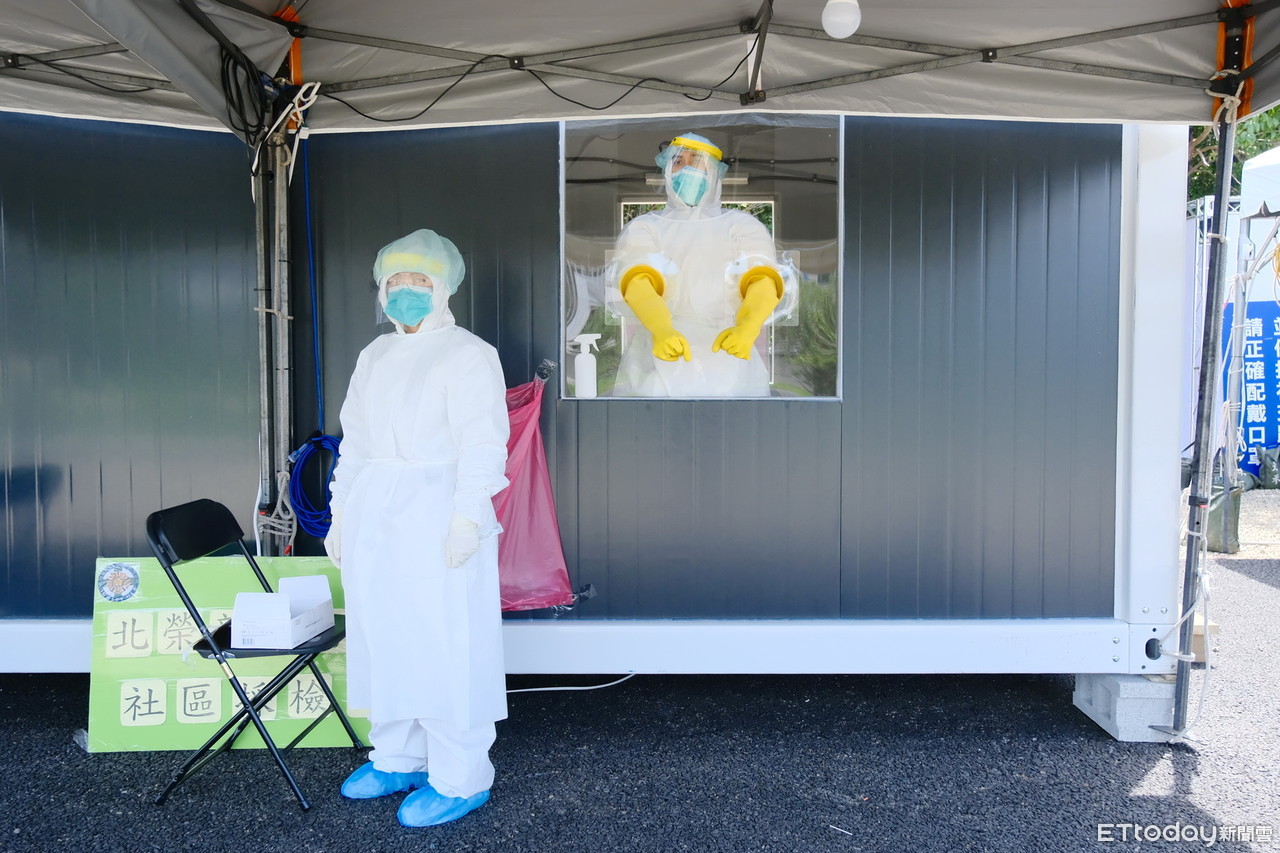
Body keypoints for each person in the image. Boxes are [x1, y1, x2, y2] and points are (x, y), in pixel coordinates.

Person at [324, 228, 510, 828]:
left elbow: (483, 444)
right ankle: (398, 756)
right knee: (383, 635)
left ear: (445, 288)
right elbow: (355, 443)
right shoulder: (374, 355)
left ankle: (460, 777)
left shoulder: (467, 353)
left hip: (439, 511)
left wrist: (466, 518)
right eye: (395, 281)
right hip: (377, 512)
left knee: (444, 643)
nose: (405, 291)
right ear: (381, 290)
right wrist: (341, 512)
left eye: (419, 281)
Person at [610, 132, 789, 397]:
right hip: (659, 354)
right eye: (678, 162)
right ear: (667, 171)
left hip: (729, 350)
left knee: (732, 422)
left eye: (696, 161)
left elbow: (761, 278)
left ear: (715, 172)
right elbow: (638, 280)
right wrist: (661, 328)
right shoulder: (645, 227)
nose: (686, 169)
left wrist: (747, 327)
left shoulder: (741, 226)